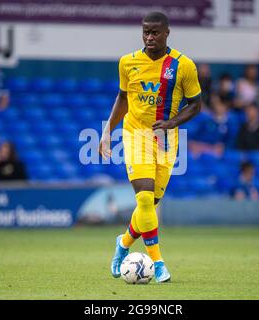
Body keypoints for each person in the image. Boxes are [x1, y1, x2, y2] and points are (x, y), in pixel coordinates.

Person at [99, 12, 202, 283]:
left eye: (155, 32)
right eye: (146, 32)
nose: (149, 37)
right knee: (144, 200)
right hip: (135, 135)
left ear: (167, 32)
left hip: (166, 140)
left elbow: (196, 104)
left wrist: (172, 122)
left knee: (151, 205)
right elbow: (122, 98)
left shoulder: (183, 66)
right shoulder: (127, 62)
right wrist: (107, 131)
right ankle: (158, 263)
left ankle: (122, 244)